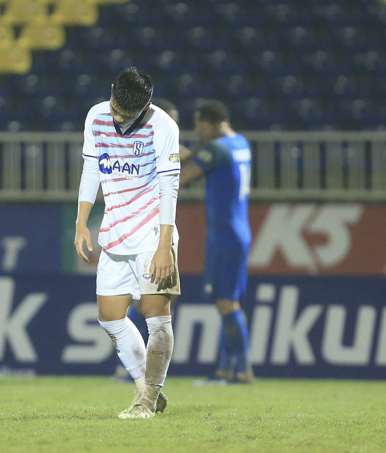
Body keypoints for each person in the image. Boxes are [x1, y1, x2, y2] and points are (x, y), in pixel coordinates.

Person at [74, 67, 181, 419]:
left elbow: (169, 187)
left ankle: (148, 399)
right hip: (115, 232)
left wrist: (165, 245)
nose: (119, 120)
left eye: (128, 115)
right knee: (110, 319)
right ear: (111, 92)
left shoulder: (163, 126)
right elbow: (92, 168)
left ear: (146, 106)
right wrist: (81, 222)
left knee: (157, 319)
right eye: (117, 110)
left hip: (153, 233)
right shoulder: (96, 116)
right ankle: (145, 387)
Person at [110, 97, 189, 383]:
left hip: (160, 232)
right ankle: (133, 369)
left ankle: (143, 373)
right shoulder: (143, 145)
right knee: (141, 305)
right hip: (141, 234)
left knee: (154, 305)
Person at [179, 100, 254, 384]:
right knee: (229, 303)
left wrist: (170, 160)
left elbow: (184, 178)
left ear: (212, 124)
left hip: (224, 237)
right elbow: (206, 156)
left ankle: (245, 370)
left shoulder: (216, 149)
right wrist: (191, 154)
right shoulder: (240, 143)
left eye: (200, 124)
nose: (197, 129)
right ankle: (225, 371)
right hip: (239, 232)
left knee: (226, 305)